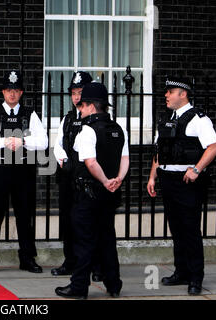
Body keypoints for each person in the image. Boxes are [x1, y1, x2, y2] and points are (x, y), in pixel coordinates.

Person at [55, 82, 129, 299]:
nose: (80, 109)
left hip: (88, 193)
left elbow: (90, 162)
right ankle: (113, 284)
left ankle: (79, 287)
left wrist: (106, 180)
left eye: (83, 105)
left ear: (91, 106)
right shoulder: (118, 128)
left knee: (84, 241)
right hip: (110, 193)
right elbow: (125, 159)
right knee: (107, 238)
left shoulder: (87, 130)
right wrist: (117, 179)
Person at [147, 76, 216, 295]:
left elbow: (214, 146)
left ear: (183, 94)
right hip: (168, 179)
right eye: (166, 91)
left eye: (170, 91)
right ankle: (181, 271)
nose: (166, 95)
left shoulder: (199, 119)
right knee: (177, 229)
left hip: (187, 183)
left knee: (190, 230)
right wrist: (153, 177)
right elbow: (159, 151)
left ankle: (196, 277)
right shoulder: (167, 119)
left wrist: (196, 169)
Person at [0, 70, 48, 274]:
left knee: (25, 217)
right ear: (3, 91)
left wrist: (23, 141)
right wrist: (5, 141)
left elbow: (43, 142)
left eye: (16, 90)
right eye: (9, 90)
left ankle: (27, 259)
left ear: (21, 92)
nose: (12, 94)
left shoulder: (30, 114)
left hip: (22, 172)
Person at [52, 71, 103, 281]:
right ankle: (70, 261)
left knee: (93, 222)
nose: (76, 97)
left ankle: (97, 265)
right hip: (68, 176)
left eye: (80, 92)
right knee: (68, 220)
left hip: (89, 176)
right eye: (73, 93)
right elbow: (58, 144)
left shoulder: (98, 120)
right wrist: (64, 160)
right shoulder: (68, 118)